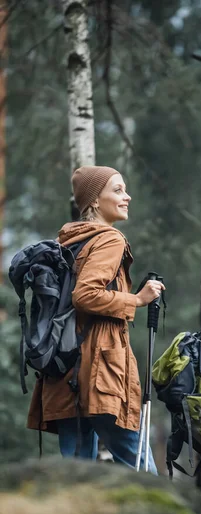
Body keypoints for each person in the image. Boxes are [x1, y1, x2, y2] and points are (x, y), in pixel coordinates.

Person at [27, 166, 165, 473]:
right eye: (117, 190)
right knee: (142, 472)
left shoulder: (68, 241)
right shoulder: (109, 239)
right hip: (101, 373)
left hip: (62, 371)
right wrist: (137, 299)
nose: (126, 197)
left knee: (79, 477)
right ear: (92, 202)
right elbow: (85, 295)